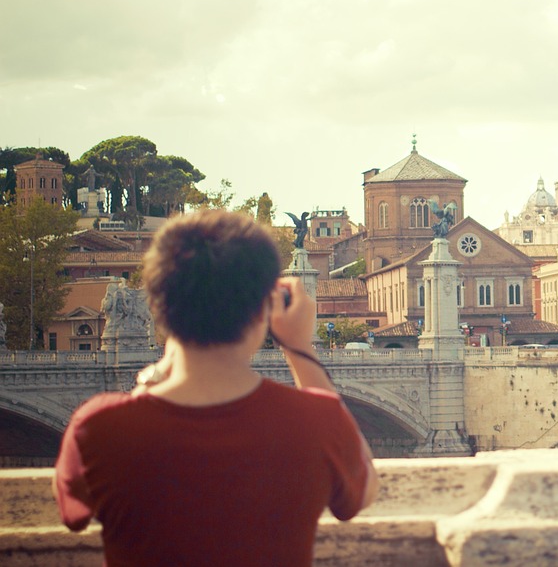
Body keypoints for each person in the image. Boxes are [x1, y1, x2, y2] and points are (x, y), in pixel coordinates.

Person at [53, 209, 378, 565]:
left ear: (157, 308)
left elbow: (73, 514)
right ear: (263, 311)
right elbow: (360, 495)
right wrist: (299, 349)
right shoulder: (317, 420)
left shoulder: (98, 426)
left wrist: (153, 378)